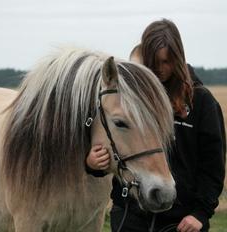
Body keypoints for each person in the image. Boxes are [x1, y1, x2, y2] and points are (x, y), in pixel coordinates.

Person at [86, 18, 226, 232]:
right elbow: (114, 142)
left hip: (181, 223)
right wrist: (92, 164)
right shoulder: (132, 99)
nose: (160, 69)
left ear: (178, 58)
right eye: (154, 61)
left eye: (167, 61)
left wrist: (200, 213)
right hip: (129, 218)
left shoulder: (202, 102)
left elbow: (213, 166)